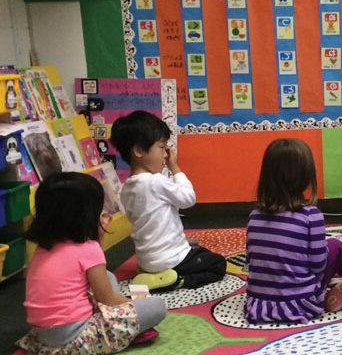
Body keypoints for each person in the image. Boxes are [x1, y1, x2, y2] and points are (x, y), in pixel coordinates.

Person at [17, 172, 167, 353]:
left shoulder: (43, 247)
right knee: (157, 306)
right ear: (85, 214)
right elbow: (108, 299)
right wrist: (133, 306)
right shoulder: (88, 247)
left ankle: (125, 329)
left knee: (108, 277)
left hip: (42, 336)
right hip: (75, 338)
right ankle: (126, 332)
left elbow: (93, 274)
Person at [110, 110, 226, 291]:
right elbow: (188, 198)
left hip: (146, 260)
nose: (166, 154)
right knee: (217, 264)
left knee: (194, 248)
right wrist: (175, 167)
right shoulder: (155, 181)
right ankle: (177, 280)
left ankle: (152, 273)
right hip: (172, 259)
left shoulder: (127, 188)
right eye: (162, 147)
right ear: (139, 150)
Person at [244, 138, 342, 324]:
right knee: (335, 246)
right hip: (301, 303)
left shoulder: (255, 215)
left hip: (259, 305)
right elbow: (318, 265)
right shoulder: (311, 216)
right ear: (306, 177)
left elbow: (249, 261)